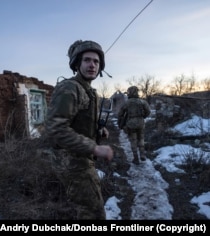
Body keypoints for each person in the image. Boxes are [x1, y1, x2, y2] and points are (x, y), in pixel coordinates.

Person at [45, 40, 114, 219]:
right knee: (94, 214)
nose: (92, 65)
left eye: (96, 62)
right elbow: (56, 128)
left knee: (88, 209)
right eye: (87, 60)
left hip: (80, 158)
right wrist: (94, 148)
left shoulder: (88, 90)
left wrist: (99, 131)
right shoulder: (70, 88)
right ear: (77, 63)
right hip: (71, 162)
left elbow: (78, 122)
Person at [117, 86, 151, 165]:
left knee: (133, 140)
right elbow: (148, 111)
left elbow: (120, 114)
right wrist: (143, 116)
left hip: (131, 123)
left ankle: (136, 158)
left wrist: (121, 122)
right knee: (141, 138)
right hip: (140, 122)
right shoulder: (142, 102)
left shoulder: (127, 103)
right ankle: (142, 154)